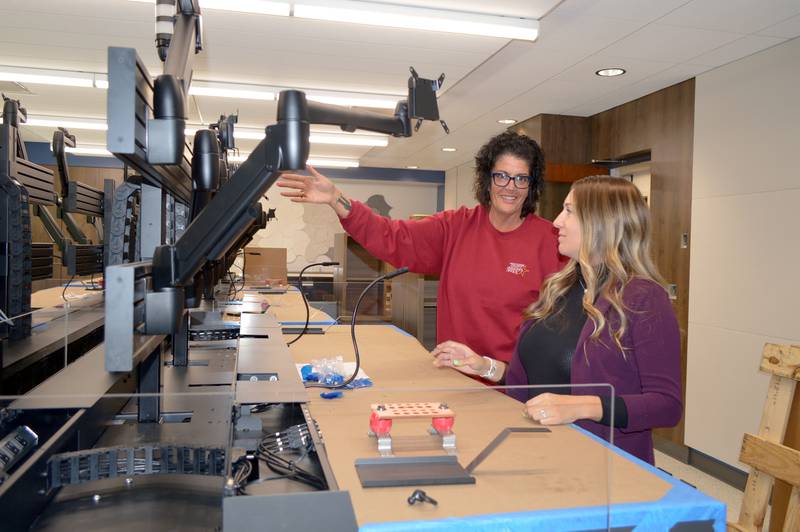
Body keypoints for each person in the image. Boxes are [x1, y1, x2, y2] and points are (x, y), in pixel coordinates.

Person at [431, 176, 682, 464]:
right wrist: (482, 365)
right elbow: (534, 381)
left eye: (570, 211)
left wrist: (580, 407)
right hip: (540, 454)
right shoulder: (558, 289)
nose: (557, 222)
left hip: (605, 468)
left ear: (602, 222)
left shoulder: (644, 298)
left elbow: (667, 405)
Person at [277, 132, 563, 365]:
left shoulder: (551, 240)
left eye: (521, 178)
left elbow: (561, 329)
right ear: (487, 179)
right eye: (501, 175)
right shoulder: (456, 227)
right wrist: (336, 200)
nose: (510, 186)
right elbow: (391, 236)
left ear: (531, 185)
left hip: (513, 387)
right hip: (455, 378)